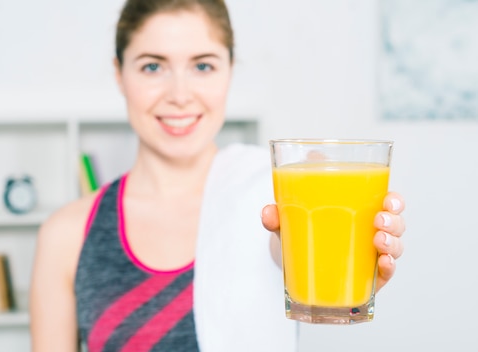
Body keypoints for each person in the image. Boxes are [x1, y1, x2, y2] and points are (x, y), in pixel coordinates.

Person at [29, 0, 406, 351]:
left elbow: (280, 243)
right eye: (152, 66)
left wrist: (337, 256)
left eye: (203, 66)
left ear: (229, 69)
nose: (179, 94)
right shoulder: (66, 235)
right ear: (119, 74)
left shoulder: (271, 192)